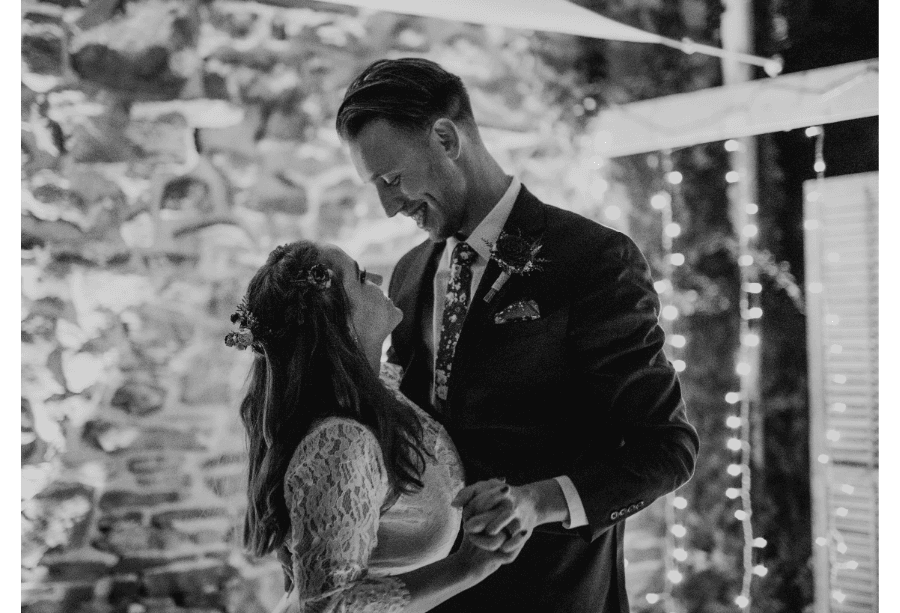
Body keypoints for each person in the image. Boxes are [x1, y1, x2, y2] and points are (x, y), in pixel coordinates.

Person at [335, 58, 700, 612]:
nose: (389, 207)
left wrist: (535, 503)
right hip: (438, 591)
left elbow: (666, 449)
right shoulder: (409, 274)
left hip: (555, 590)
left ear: (445, 137)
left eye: (392, 180)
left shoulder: (593, 261)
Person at [226, 240, 531, 612]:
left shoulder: (379, 391)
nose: (379, 278)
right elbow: (328, 606)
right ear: (337, 317)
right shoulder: (341, 441)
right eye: (360, 276)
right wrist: (468, 566)